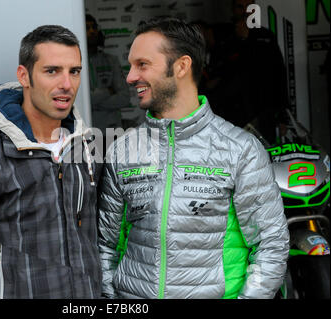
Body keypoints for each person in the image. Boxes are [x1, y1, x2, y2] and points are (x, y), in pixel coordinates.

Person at [97, 17, 289, 299]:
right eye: (131, 65)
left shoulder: (240, 149)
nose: (130, 76)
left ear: (181, 66)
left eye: (142, 64)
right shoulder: (121, 149)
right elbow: (105, 246)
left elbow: (270, 244)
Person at [0, 25, 102, 299]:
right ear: (24, 76)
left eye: (74, 71)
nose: (66, 84)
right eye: (52, 71)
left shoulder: (86, 148)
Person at [205, 0, 289, 145]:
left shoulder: (266, 36)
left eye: (249, 7)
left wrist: (283, 117)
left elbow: (279, 76)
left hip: (263, 112)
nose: (245, 11)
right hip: (230, 114)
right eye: (240, 7)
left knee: (264, 157)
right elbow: (217, 74)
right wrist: (242, 41)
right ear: (233, 9)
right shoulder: (223, 37)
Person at [86, 14, 130, 152]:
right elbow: (82, 100)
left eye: (94, 27)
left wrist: (93, 101)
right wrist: (107, 91)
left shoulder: (111, 60)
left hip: (113, 131)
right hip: (88, 133)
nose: (92, 31)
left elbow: (124, 97)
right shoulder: (74, 64)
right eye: (87, 28)